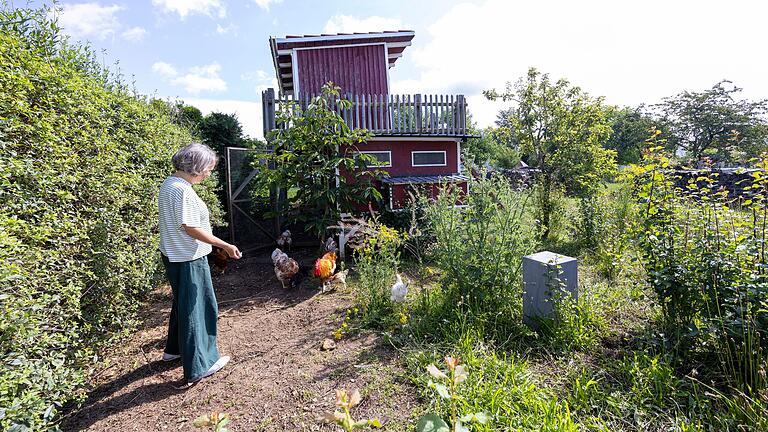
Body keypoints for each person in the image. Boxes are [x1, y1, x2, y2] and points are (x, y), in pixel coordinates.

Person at [158, 143, 242, 387]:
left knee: (183, 305)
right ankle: (200, 365)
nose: (209, 173)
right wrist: (224, 245)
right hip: (187, 257)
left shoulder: (170, 184)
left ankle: (174, 350)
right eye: (208, 168)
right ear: (196, 167)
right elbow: (190, 227)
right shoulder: (181, 191)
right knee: (199, 308)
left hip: (176, 255)